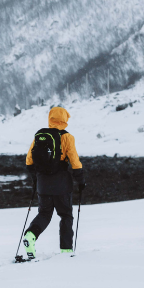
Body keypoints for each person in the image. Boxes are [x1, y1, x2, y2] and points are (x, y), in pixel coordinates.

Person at [22, 106, 84, 259]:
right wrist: (81, 180)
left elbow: (29, 161)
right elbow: (75, 161)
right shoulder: (68, 137)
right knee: (66, 215)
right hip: (62, 183)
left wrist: (36, 179)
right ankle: (66, 250)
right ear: (65, 119)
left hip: (43, 183)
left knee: (44, 214)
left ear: (50, 118)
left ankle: (30, 235)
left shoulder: (40, 136)